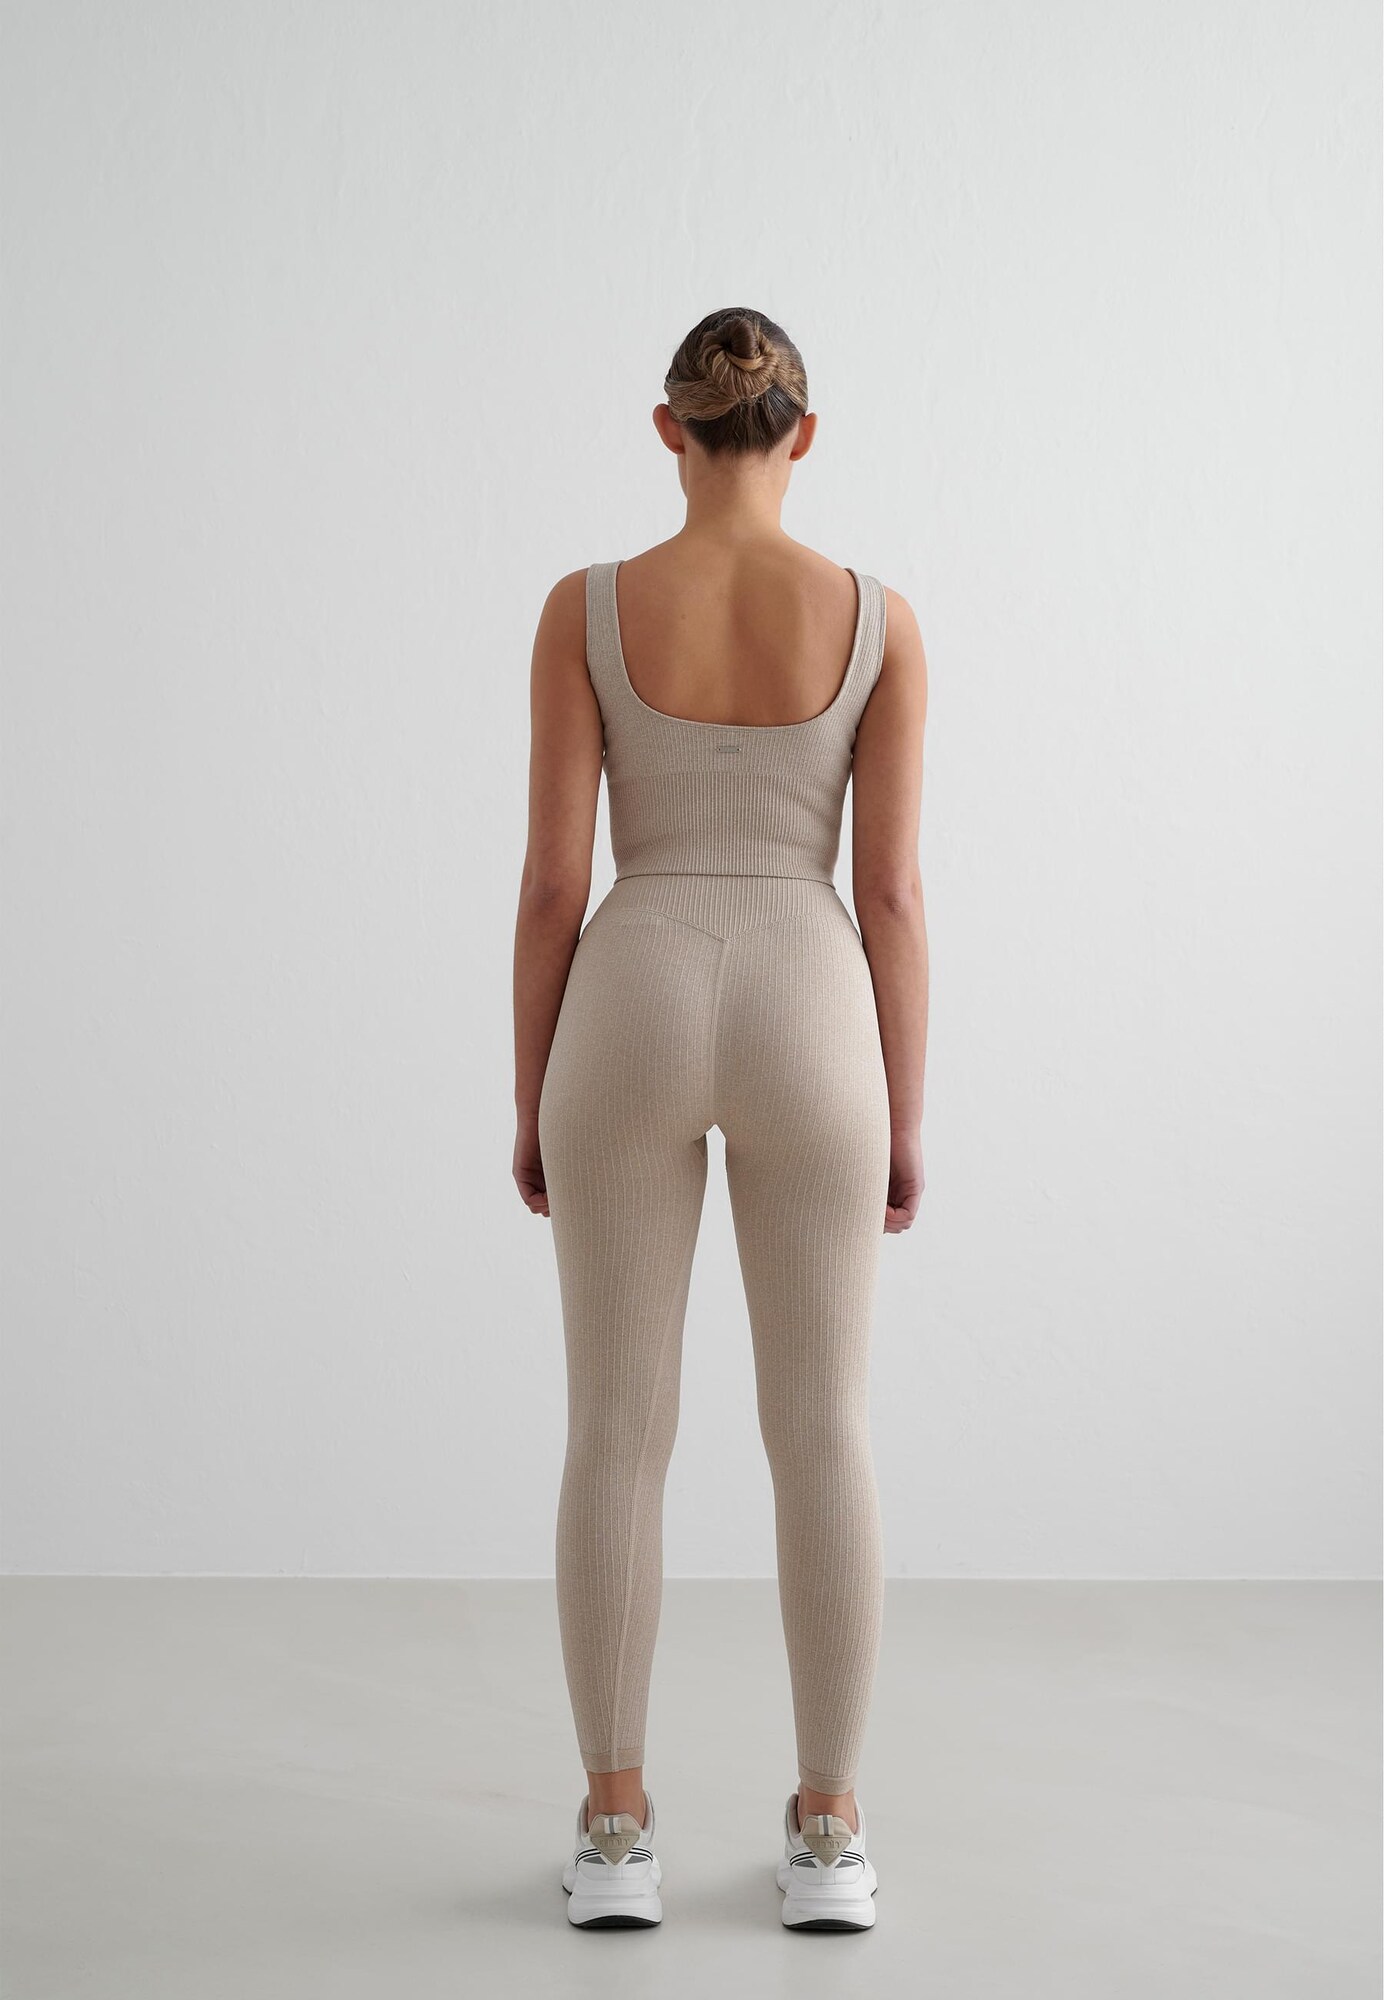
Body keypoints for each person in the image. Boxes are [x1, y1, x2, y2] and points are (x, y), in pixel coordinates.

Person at [511, 307, 929, 1931]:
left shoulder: (585, 609)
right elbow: (888, 892)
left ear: (667, 431)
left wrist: (531, 1092)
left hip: (627, 990)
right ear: (802, 433)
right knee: (821, 1427)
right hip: (811, 1000)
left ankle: (615, 1829)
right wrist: (901, 1109)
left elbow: (553, 884)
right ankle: (827, 1833)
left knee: (616, 1427)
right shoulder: (879, 621)